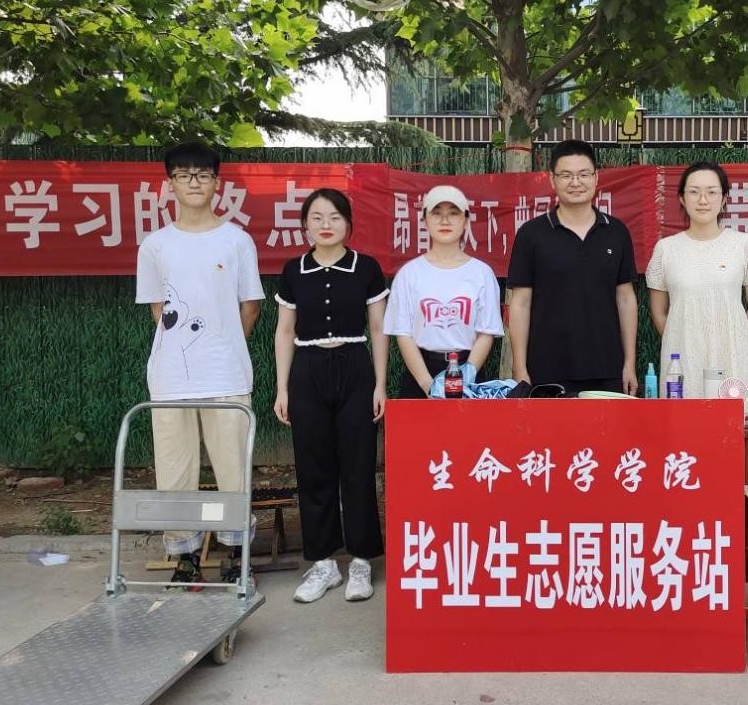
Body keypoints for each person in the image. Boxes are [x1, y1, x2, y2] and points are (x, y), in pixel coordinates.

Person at [135, 141, 264, 588]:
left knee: (233, 469)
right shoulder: (155, 245)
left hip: (227, 373)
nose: (194, 182)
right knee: (175, 473)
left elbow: (250, 307)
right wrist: (187, 349)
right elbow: (158, 310)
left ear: (216, 183)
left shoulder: (236, 240)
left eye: (203, 174)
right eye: (184, 175)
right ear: (169, 183)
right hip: (170, 378)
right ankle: (185, 556)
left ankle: (237, 555)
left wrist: (221, 345)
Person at [273, 188, 388, 604]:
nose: (326, 225)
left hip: (355, 368)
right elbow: (285, 330)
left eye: (335, 217)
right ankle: (323, 564)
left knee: (358, 465)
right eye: (317, 217)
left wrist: (380, 385)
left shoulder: (366, 268)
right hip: (307, 371)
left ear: (348, 223)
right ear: (305, 224)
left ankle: (360, 561)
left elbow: (378, 328)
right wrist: (282, 388)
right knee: (313, 467)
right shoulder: (294, 270)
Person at [506, 139, 639, 396]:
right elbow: (520, 303)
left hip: (607, 367)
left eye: (583, 174)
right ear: (552, 179)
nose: (575, 182)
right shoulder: (531, 234)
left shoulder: (616, 232)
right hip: (547, 370)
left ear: (596, 178)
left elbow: (625, 298)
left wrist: (629, 363)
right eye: (566, 175)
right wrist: (519, 366)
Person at [646, 161, 748, 410]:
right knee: (682, 425)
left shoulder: (743, 244)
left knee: (730, 425)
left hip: (732, 358)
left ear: (724, 199)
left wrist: (735, 341)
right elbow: (659, 312)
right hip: (681, 361)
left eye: (712, 192)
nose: (703, 200)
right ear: (682, 198)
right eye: (694, 192)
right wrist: (682, 341)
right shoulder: (666, 249)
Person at [384, 184, 503, 397]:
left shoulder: (482, 273)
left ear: (466, 221)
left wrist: (467, 375)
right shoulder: (409, 273)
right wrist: (428, 385)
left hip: (469, 370)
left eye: (453, 213)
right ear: (425, 220)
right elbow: (403, 333)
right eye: (437, 213)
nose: (445, 221)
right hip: (420, 372)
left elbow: (486, 332)